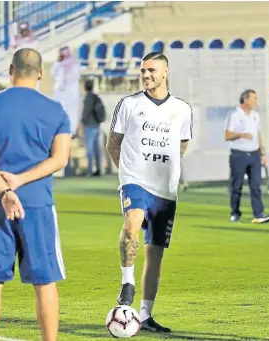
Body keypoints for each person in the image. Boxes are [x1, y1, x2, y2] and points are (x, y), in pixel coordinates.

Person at [0, 48, 71, 341]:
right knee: (45, 281)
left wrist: (4, 189)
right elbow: (60, 159)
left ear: (11, 71)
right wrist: (20, 181)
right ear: (40, 73)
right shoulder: (56, 111)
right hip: (37, 203)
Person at [106, 52, 193, 333]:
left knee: (155, 253)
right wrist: (128, 172)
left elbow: (181, 146)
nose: (146, 75)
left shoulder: (182, 109)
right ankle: (127, 283)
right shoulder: (129, 104)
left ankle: (145, 315)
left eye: (152, 70)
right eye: (143, 70)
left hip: (165, 189)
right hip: (135, 181)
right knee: (131, 224)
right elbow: (113, 144)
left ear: (166, 72)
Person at [224, 90, 269, 224]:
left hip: (254, 154)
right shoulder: (234, 115)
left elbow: (259, 135)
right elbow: (227, 135)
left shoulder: (255, 116)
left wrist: (263, 153)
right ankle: (235, 213)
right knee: (236, 186)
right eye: (254, 98)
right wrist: (242, 135)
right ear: (245, 100)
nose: (257, 101)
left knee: (256, 186)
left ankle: (258, 214)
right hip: (238, 154)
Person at [51, 46, 81, 134]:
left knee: (71, 112)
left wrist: (66, 81)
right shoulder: (58, 64)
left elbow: (75, 76)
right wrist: (58, 64)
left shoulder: (74, 63)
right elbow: (53, 74)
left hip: (71, 92)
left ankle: (72, 131)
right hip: (60, 92)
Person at [81, 79, 106, 176]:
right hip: (97, 125)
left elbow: (86, 112)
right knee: (97, 149)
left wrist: (82, 123)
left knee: (89, 149)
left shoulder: (88, 98)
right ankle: (99, 169)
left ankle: (90, 170)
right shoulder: (96, 97)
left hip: (89, 126)